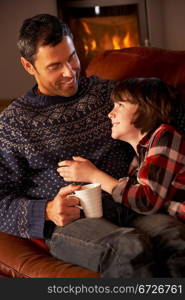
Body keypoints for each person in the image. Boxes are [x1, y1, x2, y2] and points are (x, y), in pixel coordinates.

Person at [0, 13, 155, 277]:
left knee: (175, 235)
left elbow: (163, 114)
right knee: (129, 248)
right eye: (54, 66)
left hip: (130, 203)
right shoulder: (13, 124)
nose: (69, 72)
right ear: (28, 66)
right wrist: (46, 211)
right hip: (72, 224)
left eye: (72, 57)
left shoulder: (108, 94)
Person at [52, 78, 185, 277]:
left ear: (145, 108)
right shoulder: (140, 153)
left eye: (119, 105)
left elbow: (145, 200)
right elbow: (134, 194)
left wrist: (93, 174)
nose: (110, 113)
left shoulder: (165, 135)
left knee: (175, 238)